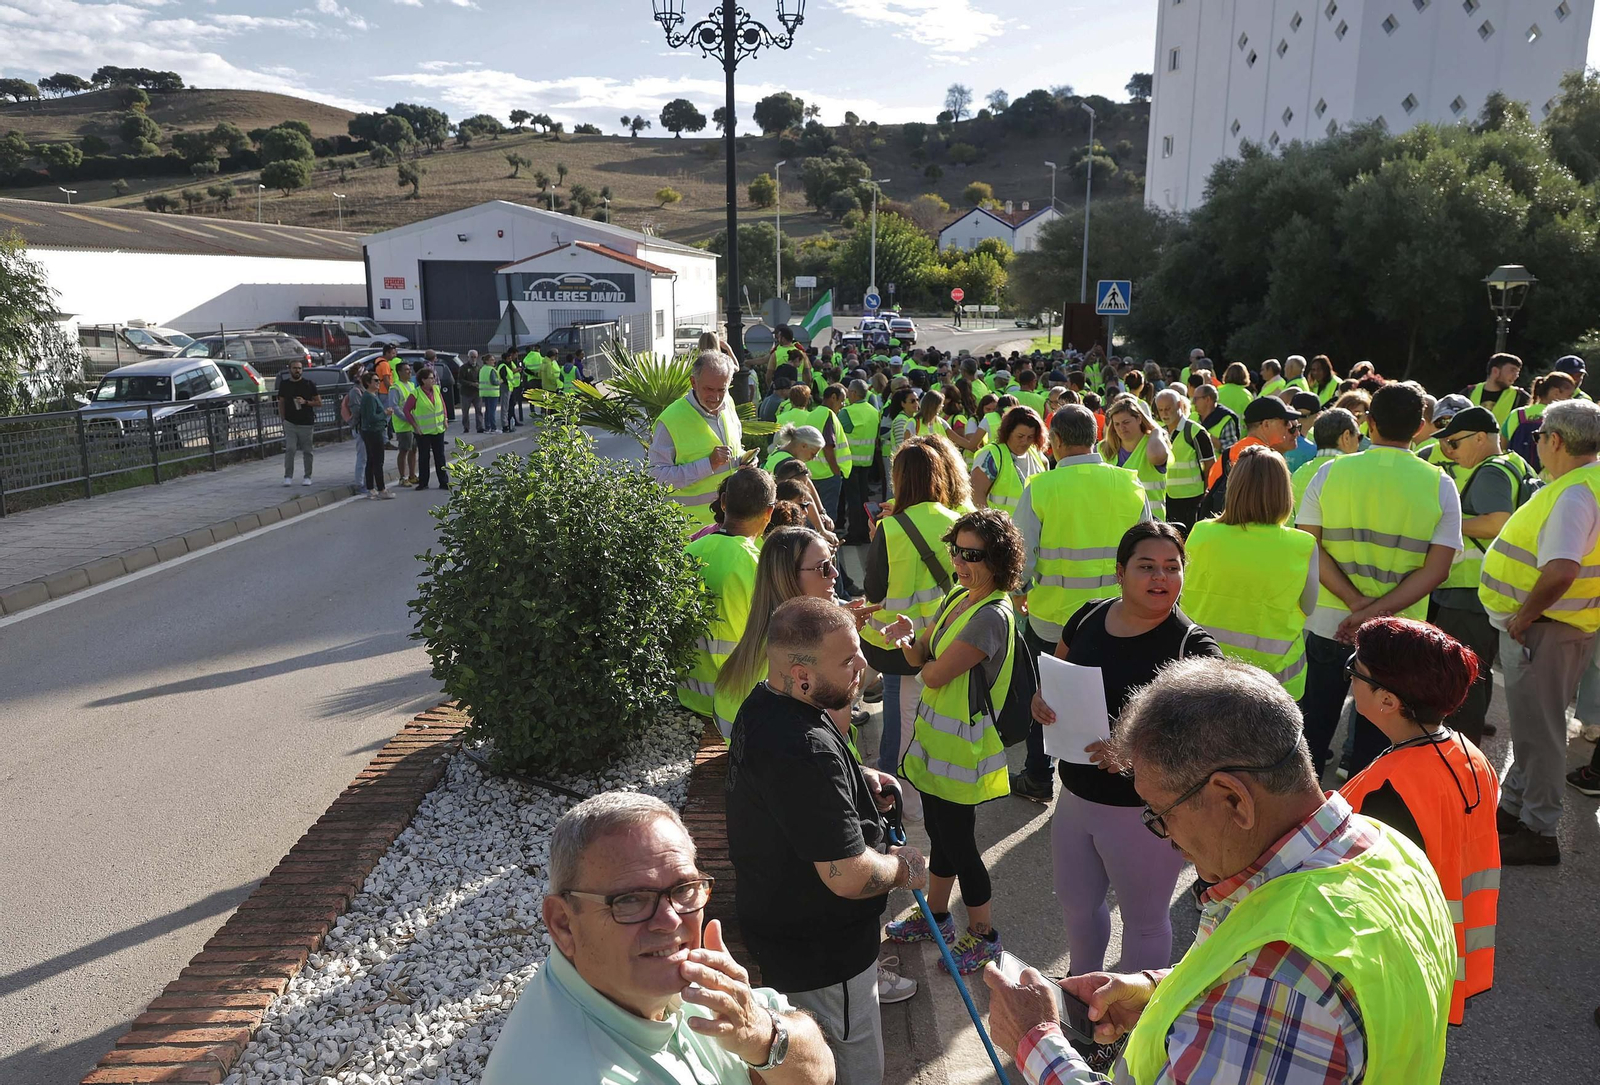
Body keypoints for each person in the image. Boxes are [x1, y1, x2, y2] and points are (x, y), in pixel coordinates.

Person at [985, 658, 1456, 1085]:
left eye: (1159, 812)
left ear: (1234, 799)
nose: (1164, 836)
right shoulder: (1387, 848)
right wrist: (1155, 990)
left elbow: (1268, 994)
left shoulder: (1276, 988)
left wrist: (1037, 1041)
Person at [482, 792, 833, 1085]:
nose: (669, 920)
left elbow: (821, 1072)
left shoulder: (662, 977)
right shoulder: (565, 1073)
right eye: (630, 900)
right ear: (563, 923)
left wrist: (760, 1033)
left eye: (683, 889)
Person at [727, 596, 927, 1084]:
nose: (863, 665)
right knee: (854, 1069)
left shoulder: (765, 705)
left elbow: (795, 789)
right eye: (847, 660)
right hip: (825, 956)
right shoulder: (805, 751)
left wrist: (856, 781)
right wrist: (905, 868)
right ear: (801, 675)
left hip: (788, 934)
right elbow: (848, 876)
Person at [1031, 522, 1223, 976]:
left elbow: (1210, 737)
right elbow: (1057, 674)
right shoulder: (1087, 616)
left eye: (1172, 567)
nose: (1161, 578)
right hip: (1075, 798)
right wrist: (1043, 701)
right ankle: (1082, 998)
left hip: (1144, 814)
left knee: (1144, 925)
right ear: (1120, 572)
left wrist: (1137, 756)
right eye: (1146, 567)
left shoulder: (1192, 647)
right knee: (1077, 907)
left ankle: (1129, 1030)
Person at [1338, 618, 1501, 1025]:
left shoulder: (1387, 791)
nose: (1351, 678)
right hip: (1440, 954)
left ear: (1389, 701)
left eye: (1355, 671)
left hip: (1387, 970)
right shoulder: (1469, 755)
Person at [883, 510, 1024, 974]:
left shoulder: (990, 616)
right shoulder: (959, 597)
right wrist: (906, 637)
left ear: (998, 559)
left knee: (961, 845)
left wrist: (918, 656)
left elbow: (932, 670)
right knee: (943, 838)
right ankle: (937, 918)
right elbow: (919, 654)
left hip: (964, 753)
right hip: (937, 747)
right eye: (956, 551)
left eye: (973, 555)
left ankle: (984, 937)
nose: (961, 562)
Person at [1296, 381, 1461, 776]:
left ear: (1369, 423)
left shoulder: (1330, 473)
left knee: (1313, 727)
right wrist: (1374, 613)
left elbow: (1308, 548)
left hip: (1328, 622)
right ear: (1421, 426)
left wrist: (1355, 606)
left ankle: (1303, 816)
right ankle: (1364, 819)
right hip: (1398, 633)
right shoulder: (1440, 483)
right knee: (1376, 736)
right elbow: (1438, 569)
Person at [1479, 398, 1600, 865]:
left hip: (1545, 629)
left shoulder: (1573, 495)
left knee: (1541, 733)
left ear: (1554, 441)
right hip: (1563, 626)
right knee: (1534, 728)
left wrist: (1525, 616)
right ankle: (1514, 810)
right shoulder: (1586, 483)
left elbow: (1562, 569)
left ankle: (1538, 829)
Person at [1010, 405, 1150, 804]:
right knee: (1116, 695)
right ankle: (1113, 773)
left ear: (1054, 442)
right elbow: (1146, 549)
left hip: (1053, 618)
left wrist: (1019, 590)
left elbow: (1023, 555)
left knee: (1046, 697)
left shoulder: (1042, 487)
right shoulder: (1130, 484)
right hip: (1117, 615)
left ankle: (1039, 775)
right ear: (1096, 437)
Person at [861, 438, 963, 805]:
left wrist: (877, 540)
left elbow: (874, 590)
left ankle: (894, 787)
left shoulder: (890, 528)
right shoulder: (958, 522)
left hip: (898, 642)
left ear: (900, 479)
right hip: (943, 638)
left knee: (900, 717)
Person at [1184, 447, 1316, 701]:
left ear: (1234, 488)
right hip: (1274, 682)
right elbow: (1308, 607)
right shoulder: (1303, 544)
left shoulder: (1201, 533)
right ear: (1283, 492)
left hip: (1204, 673)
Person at [1431, 405, 1521, 746]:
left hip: (1471, 589)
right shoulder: (1514, 463)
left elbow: (1498, 521)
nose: (1449, 450)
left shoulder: (1491, 472)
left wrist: (1449, 523)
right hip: (1492, 588)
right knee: (1477, 672)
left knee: (1461, 676)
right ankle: (1470, 741)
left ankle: (1460, 755)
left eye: (1454, 442)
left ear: (1481, 437)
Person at [677, 467, 774, 719]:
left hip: (687, 694)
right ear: (769, 512)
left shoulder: (688, 551)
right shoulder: (759, 565)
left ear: (723, 502)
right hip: (736, 703)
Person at [649, 351, 744, 534]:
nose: (716, 397)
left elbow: (735, 451)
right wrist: (709, 464)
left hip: (729, 525)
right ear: (693, 382)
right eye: (709, 389)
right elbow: (656, 478)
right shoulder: (670, 420)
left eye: (721, 390)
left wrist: (744, 461)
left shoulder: (728, 404)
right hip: (688, 531)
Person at [1098, 395, 1170, 519]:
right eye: (1117, 424)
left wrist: (1157, 431)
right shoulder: (1104, 448)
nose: (1121, 428)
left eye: (1126, 422)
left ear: (1139, 419)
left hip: (1151, 521)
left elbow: (1157, 457)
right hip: (1117, 519)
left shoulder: (1153, 443)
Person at [1153, 389, 1214, 530]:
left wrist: (1206, 493)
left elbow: (1210, 465)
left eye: (1168, 409)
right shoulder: (1159, 433)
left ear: (1179, 405)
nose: (1164, 414)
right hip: (1168, 498)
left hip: (1193, 498)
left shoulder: (1196, 431)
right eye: (1161, 410)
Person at [970, 406, 1046, 513]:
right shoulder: (991, 455)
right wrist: (990, 526)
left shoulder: (1035, 454)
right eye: (1020, 436)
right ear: (1008, 432)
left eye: (1030, 437)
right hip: (1000, 527)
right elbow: (976, 495)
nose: (1025, 441)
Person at [1290, 406, 1360, 510]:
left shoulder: (1298, 474)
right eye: (1359, 437)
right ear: (1346, 437)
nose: (1359, 443)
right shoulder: (1355, 474)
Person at [1504, 369, 1576, 471]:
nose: (1571, 400)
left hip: (1517, 472)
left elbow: (1503, 444)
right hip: (1550, 478)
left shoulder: (1517, 414)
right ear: (1555, 393)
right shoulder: (1563, 417)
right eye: (1569, 396)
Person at [839, 380, 881, 545]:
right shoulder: (873, 411)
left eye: (849, 392)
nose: (848, 395)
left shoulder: (847, 412)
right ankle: (866, 531)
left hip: (850, 463)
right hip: (867, 461)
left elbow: (837, 434)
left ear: (854, 393)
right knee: (863, 499)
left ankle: (855, 534)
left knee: (854, 500)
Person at [403, 366, 451, 491]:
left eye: (433, 377)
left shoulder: (436, 389)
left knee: (440, 456)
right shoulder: (416, 393)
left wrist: (445, 418)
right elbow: (406, 410)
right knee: (424, 457)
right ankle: (423, 482)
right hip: (423, 431)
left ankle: (444, 481)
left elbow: (443, 405)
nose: (433, 380)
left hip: (438, 429)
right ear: (423, 380)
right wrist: (415, 426)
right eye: (430, 378)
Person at [276, 358, 321, 487]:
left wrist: (306, 402)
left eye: (299, 368)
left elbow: (319, 402)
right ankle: (288, 476)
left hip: (306, 422)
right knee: (290, 449)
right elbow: (281, 402)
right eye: (295, 368)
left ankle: (307, 476)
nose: (297, 370)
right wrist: (283, 419)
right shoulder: (284, 384)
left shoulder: (309, 384)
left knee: (307, 451)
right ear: (290, 369)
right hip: (290, 422)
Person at [1465, 352, 1530, 427]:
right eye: (1512, 370)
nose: (1516, 376)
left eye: (1517, 372)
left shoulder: (1520, 397)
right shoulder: (1469, 392)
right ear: (1495, 371)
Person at [355, 372, 393, 500]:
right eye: (375, 380)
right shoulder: (370, 397)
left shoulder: (372, 396)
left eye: (379, 380)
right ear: (368, 383)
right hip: (373, 431)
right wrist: (385, 413)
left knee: (372, 460)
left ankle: (371, 487)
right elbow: (371, 417)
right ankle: (381, 489)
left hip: (372, 431)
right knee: (377, 460)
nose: (378, 383)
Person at [387, 361, 418, 486]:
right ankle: (402, 477)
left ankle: (412, 475)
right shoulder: (395, 387)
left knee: (414, 450)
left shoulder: (411, 385)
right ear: (399, 372)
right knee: (404, 450)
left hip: (413, 424)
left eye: (409, 369)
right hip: (403, 425)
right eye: (406, 370)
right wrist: (407, 418)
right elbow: (394, 406)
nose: (409, 371)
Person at [340, 362, 369, 492]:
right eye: (366, 374)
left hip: (366, 428)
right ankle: (359, 483)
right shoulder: (356, 392)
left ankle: (367, 482)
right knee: (362, 456)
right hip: (361, 428)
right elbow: (357, 412)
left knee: (368, 456)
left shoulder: (365, 390)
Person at [459, 350, 483, 434]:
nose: (473, 359)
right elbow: (460, 380)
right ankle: (466, 427)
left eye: (475, 357)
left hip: (477, 393)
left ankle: (480, 427)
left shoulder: (479, 367)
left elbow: (481, 378)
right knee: (465, 411)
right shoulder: (463, 368)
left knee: (479, 410)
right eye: (471, 357)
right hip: (466, 393)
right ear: (468, 357)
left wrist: (479, 384)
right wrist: (472, 384)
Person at [476, 350, 500, 433]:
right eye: (492, 360)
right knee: (492, 411)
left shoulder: (482, 369)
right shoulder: (491, 370)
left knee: (487, 411)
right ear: (487, 361)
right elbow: (494, 381)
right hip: (492, 392)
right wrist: (500, 381)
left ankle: (487, 428)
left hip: (484, 392)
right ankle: (493, 428)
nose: (494, 361)